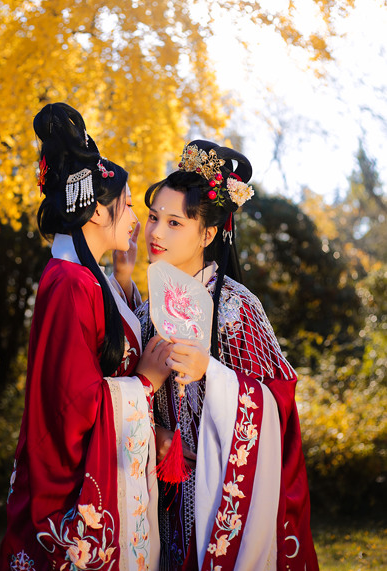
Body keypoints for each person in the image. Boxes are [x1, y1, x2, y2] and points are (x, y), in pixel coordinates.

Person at [0, 103, 172, 571]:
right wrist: (145, 384)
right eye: (128, 205)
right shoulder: (71, 283)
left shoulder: (86, 278)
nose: (135, 220)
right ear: (97, 210)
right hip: (72, 488)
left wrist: (124, 278)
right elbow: (72, 403)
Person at [134, 140, 319, 571]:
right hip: (158, 497)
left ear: (208, 233)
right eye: (154, 217)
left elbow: (276, 403)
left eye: (174, 223)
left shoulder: (236, 308)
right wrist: (155, 434)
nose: (156, 233)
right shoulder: (144, 313)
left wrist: (212, 373)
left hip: (221, 492)